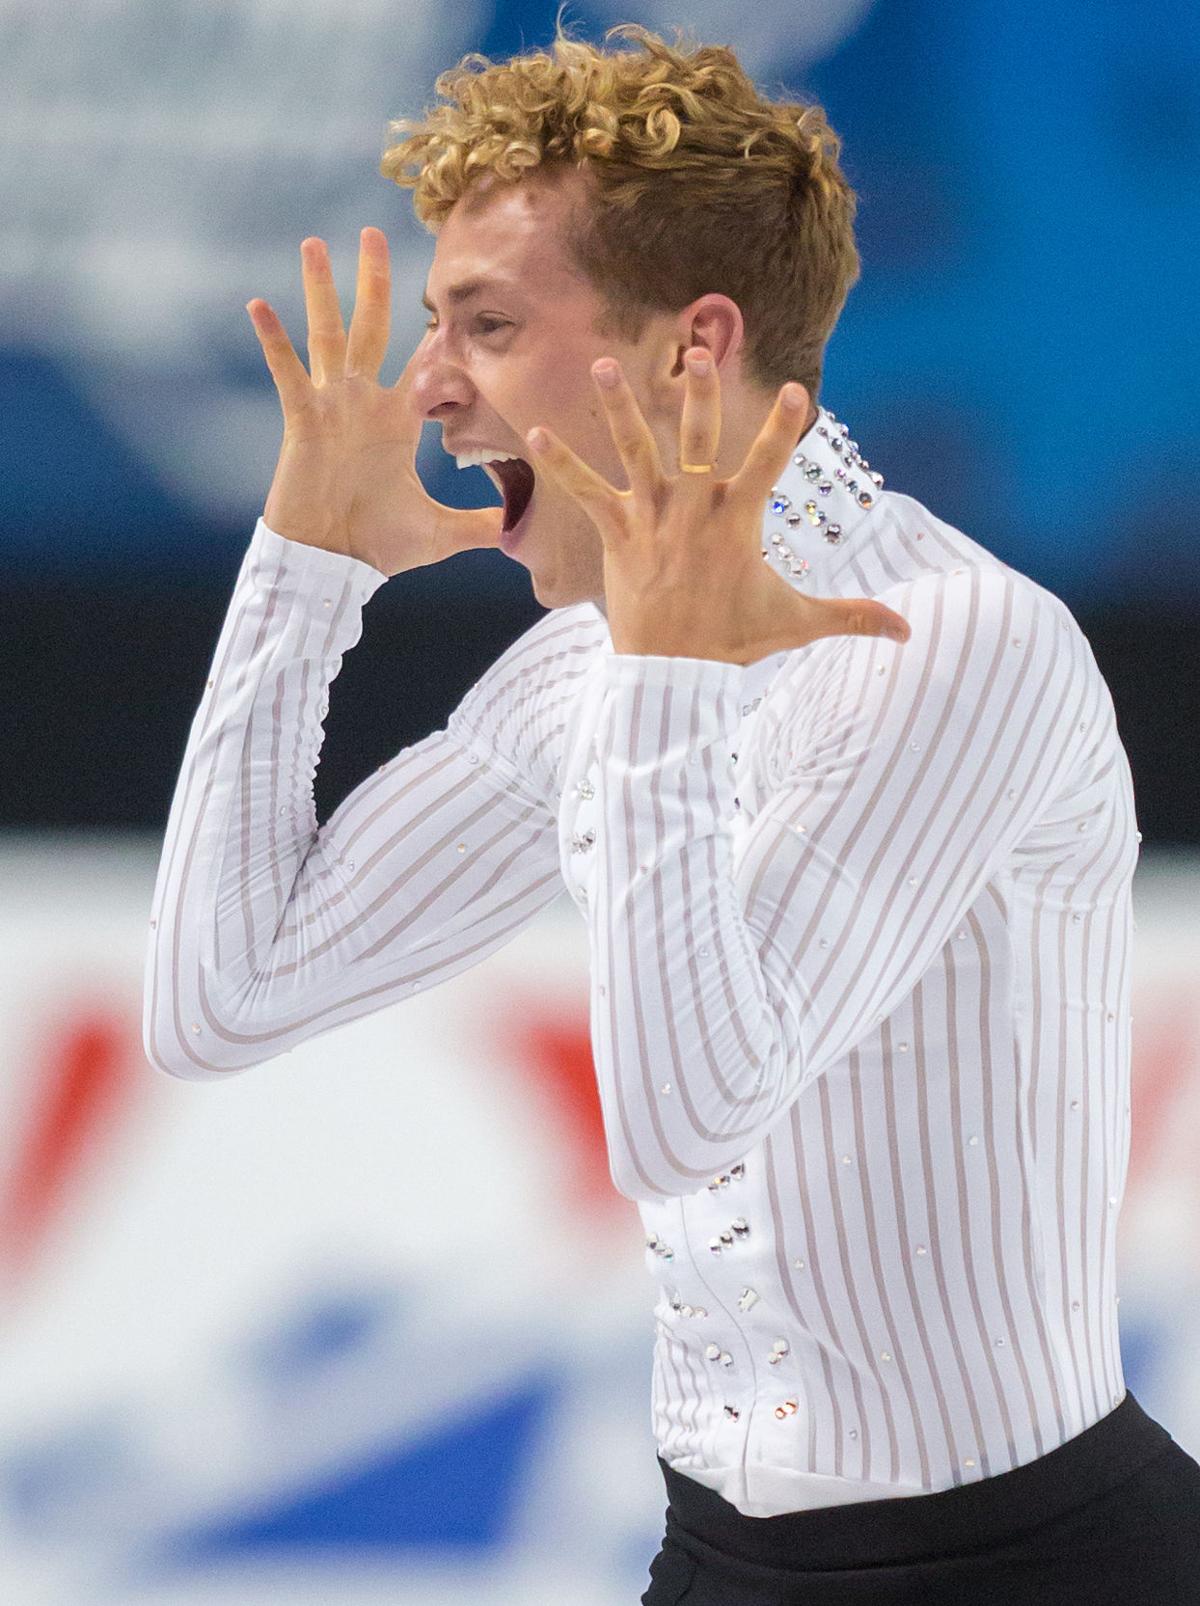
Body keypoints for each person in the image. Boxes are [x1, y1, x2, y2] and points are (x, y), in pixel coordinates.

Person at [142, 22, 1200, 1604]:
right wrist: (302, 572)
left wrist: (661, 677)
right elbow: (215, 1001)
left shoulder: (961, 649)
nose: (428, 389)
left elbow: (678, 1119)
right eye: (437, 328)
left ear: (695, 349)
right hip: (719, 1562)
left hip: (1039, 1566)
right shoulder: (589, 667)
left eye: (485, 325)